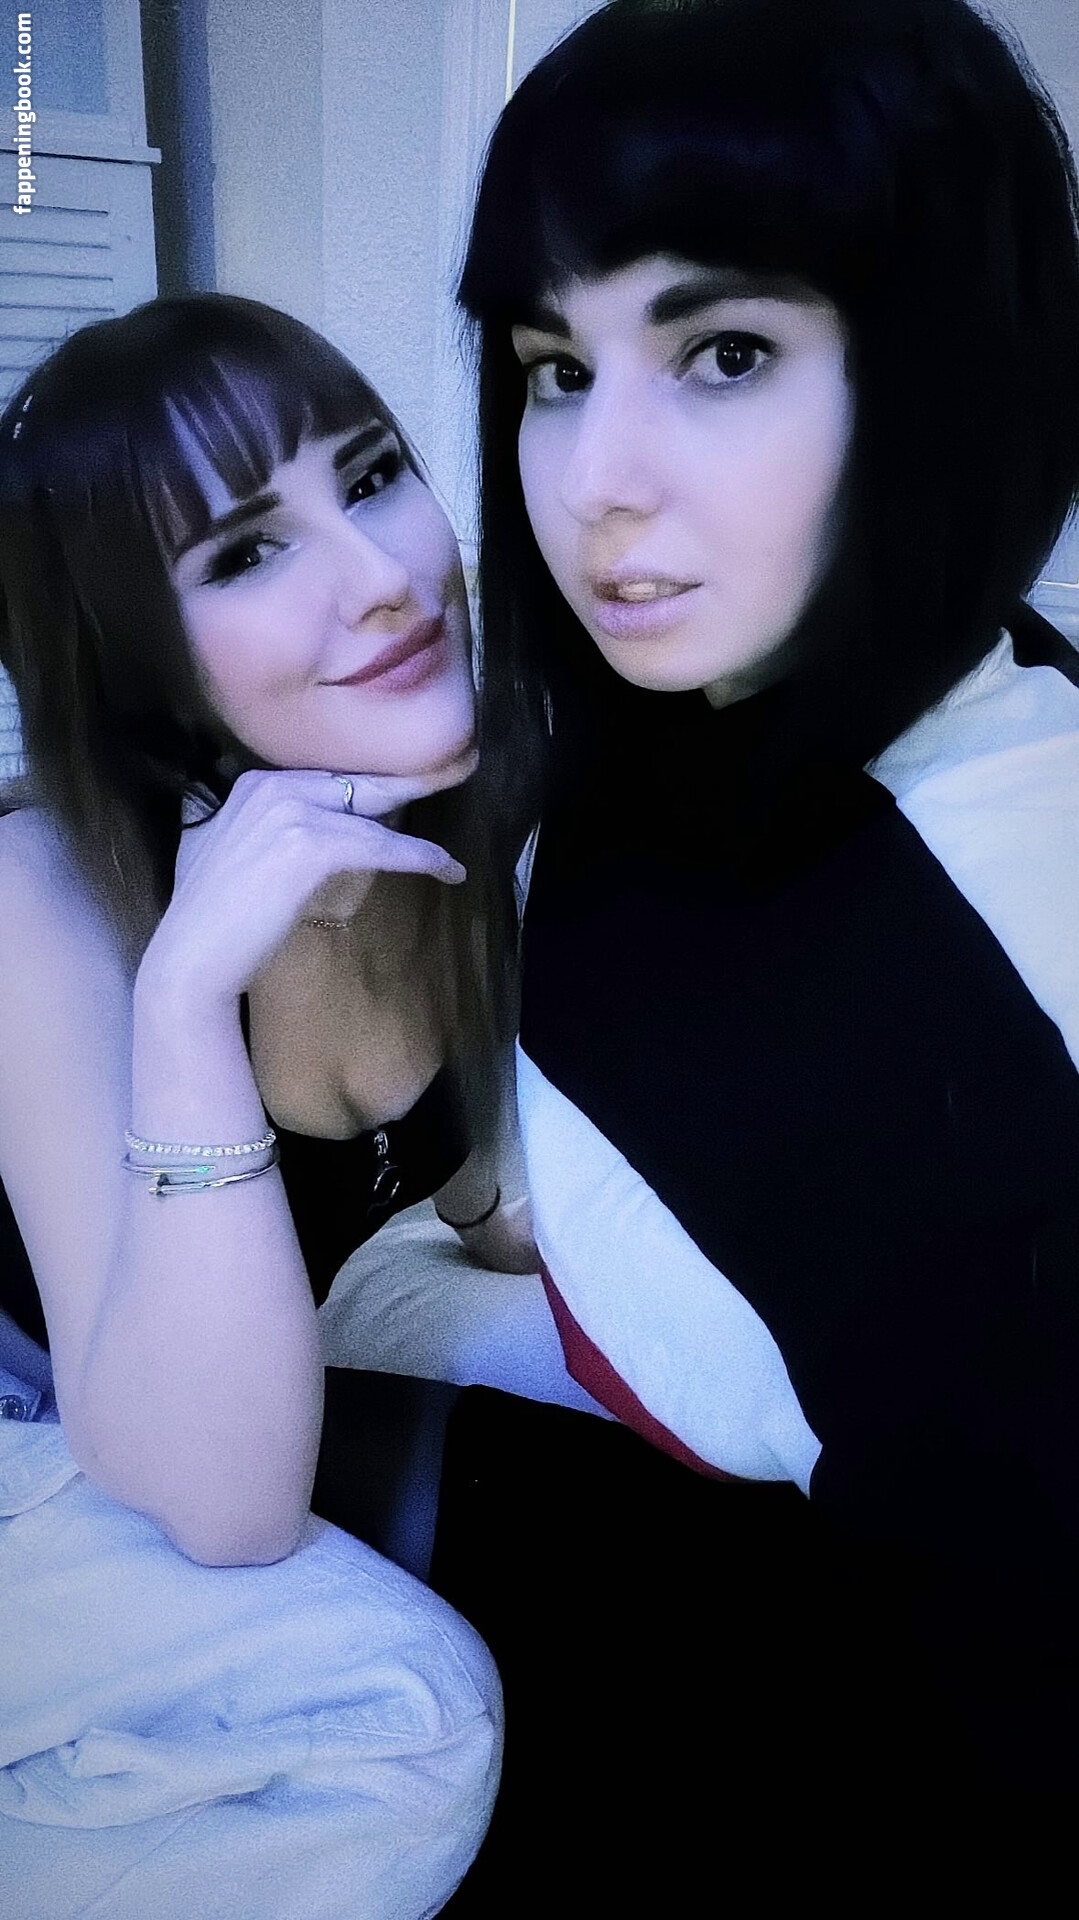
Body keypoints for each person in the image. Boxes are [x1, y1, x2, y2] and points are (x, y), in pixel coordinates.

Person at [429, 0, 1079, 1899]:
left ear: (950, 372)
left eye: (721, 351)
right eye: (554, 367)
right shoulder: (674, 733)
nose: (593, 482)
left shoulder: (988, 945)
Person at [0, 292, 531, 1917]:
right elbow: (226, 1508)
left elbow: (480, 1200)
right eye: (244, 553)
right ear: (135, 666)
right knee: (408, 1707)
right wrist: (184, 1007)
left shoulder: (452, 802)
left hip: (190, 1425)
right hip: (45, 1424)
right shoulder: (43, 901)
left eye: (371, 476)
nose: (382, 575)